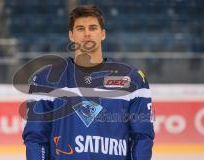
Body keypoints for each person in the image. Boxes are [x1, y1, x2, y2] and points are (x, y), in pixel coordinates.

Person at [23, 4, 154, 160]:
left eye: (92, 28)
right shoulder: (46, 80)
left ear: (103, 33)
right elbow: (36, 138)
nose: (87, 34)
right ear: (71, 35)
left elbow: (142, 137)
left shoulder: (133, 79)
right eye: (80, 29)